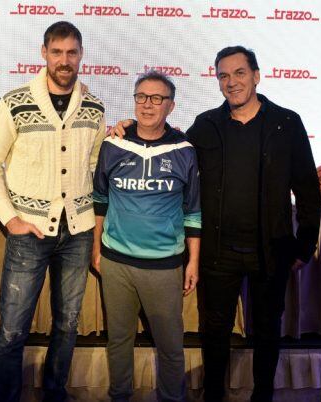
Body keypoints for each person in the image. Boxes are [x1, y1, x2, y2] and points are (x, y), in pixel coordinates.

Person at [112, 46, 321, 402]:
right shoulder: (206, 125)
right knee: (215, 331)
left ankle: (263, 396)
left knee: (268, 329)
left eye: (239, 73)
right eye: (223, 75)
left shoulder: (288, 123)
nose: (231, 82)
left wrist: (302, 246)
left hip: (271, 250)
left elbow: (307, 189)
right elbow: (168, 142)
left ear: (256, 75)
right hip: (217, 250)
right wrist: (132, 126)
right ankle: (213, 395)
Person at [0, 21, 107, 402]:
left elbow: (97, 166)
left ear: (81, 55)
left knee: (67, 324)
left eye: (71, 52)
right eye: (57, 52)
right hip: (28, 233)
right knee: (13, 329)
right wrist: (11, 219)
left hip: (79, 232)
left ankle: (55, 392)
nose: (64, 61)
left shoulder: (95, 107)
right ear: (44, 53)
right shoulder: (14, 102)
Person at [92, 71, 201, 402]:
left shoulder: (185, 150)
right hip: (116, 262)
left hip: (164, 267)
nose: (147, 105)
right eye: (141, 97)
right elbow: (99, 200)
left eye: (157, 98)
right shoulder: (113, 144)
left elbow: (193, 211)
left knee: (169, 345)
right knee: (119, 341)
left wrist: (193, 261)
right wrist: (95, 248)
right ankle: (119, 396)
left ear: (171, 106)